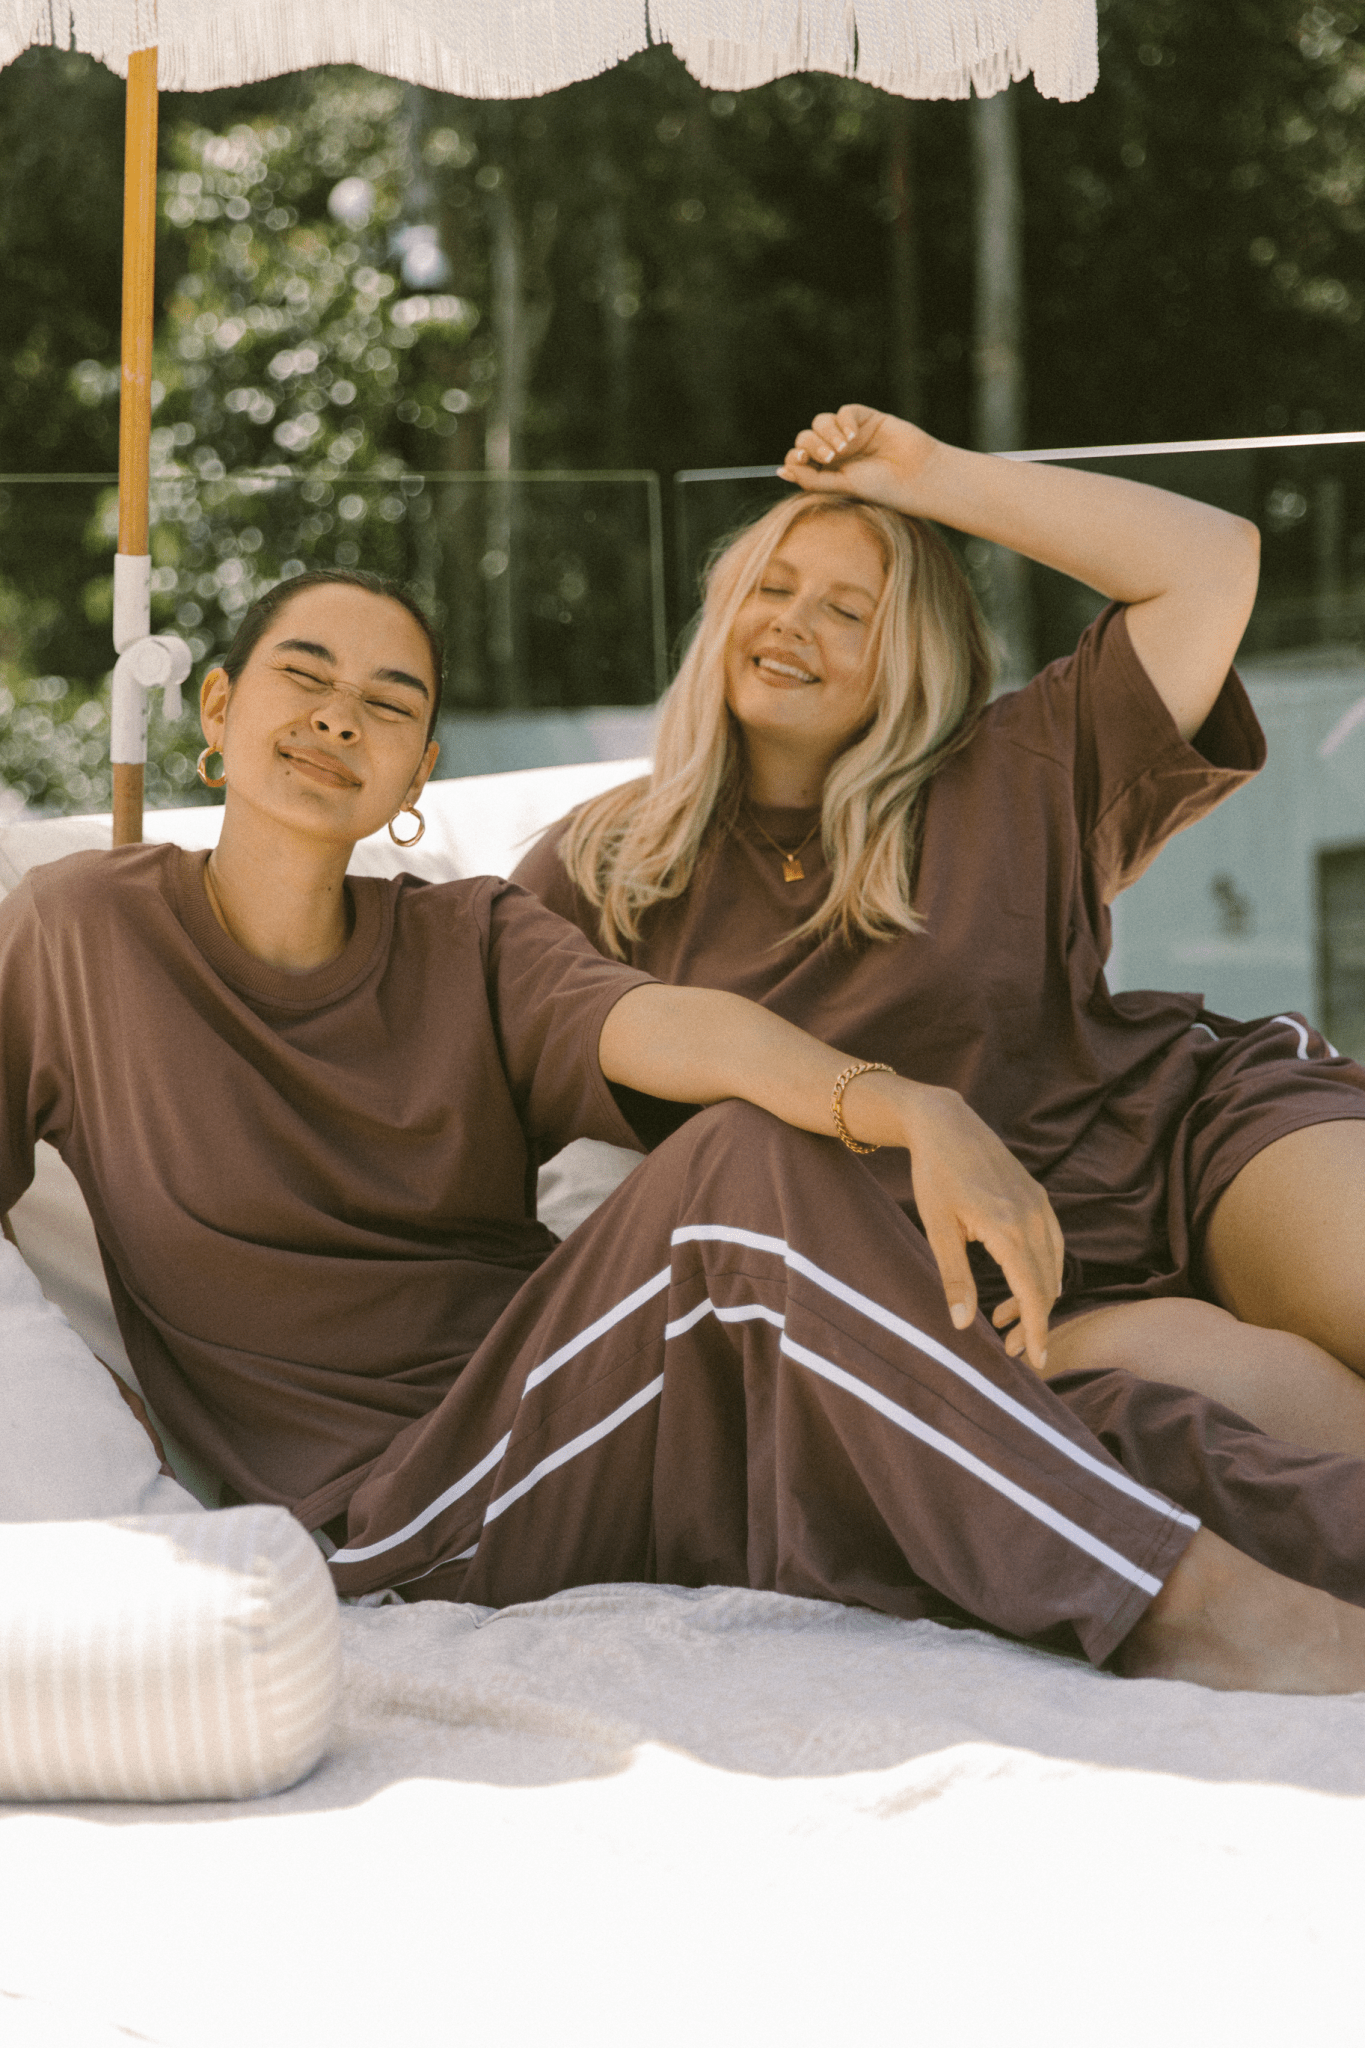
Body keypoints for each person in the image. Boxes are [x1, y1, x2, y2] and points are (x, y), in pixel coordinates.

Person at [7, 566, 1365, 1698]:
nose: (335, 718)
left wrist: (903, 1102)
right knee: (743, 1170)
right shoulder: (79, 931)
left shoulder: (467, 934)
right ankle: (1184, 1610)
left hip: (593, 1407)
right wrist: (93, 1405)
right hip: (407, 1506)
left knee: (1098, 1425)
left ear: (421, 767)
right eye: (303, 677)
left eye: (389, 701)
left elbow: (666, 1027)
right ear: (221, 707)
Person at [514, 405, 1365, 1463]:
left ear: (910, 654)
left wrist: (927, 475)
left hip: (1189, 1143)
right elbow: (473, 1091)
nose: (792, 623)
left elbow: (1210, 563)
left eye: (846, 610)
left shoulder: (1019, 763)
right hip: (958, 1293)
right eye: (772, 589)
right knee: (1276, 1401)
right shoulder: (603, 863)